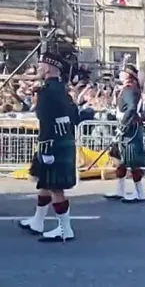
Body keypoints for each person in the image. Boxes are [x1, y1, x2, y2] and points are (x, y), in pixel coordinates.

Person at [18, 52, 79, 242]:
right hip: (63, 141)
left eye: (40, 65)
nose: (38, 69)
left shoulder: (45, 91)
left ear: (46, 68)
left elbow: (43, 118)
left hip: (51, 144)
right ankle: (38, 221)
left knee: (55, 187)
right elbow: (75, 118)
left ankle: (65, 229)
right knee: (45, 183)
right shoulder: (64, 91)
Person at [104, 64, 145, 203]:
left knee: (133, 162)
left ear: (128, 75)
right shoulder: (127, 89)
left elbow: (131, 109)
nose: (120, 74)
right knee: (122, 161)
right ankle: (120, 191)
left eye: (122, 72)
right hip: (126, 126)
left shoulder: (129, 89)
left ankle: (140, 193)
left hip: (130, 128)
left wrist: (122, 126)